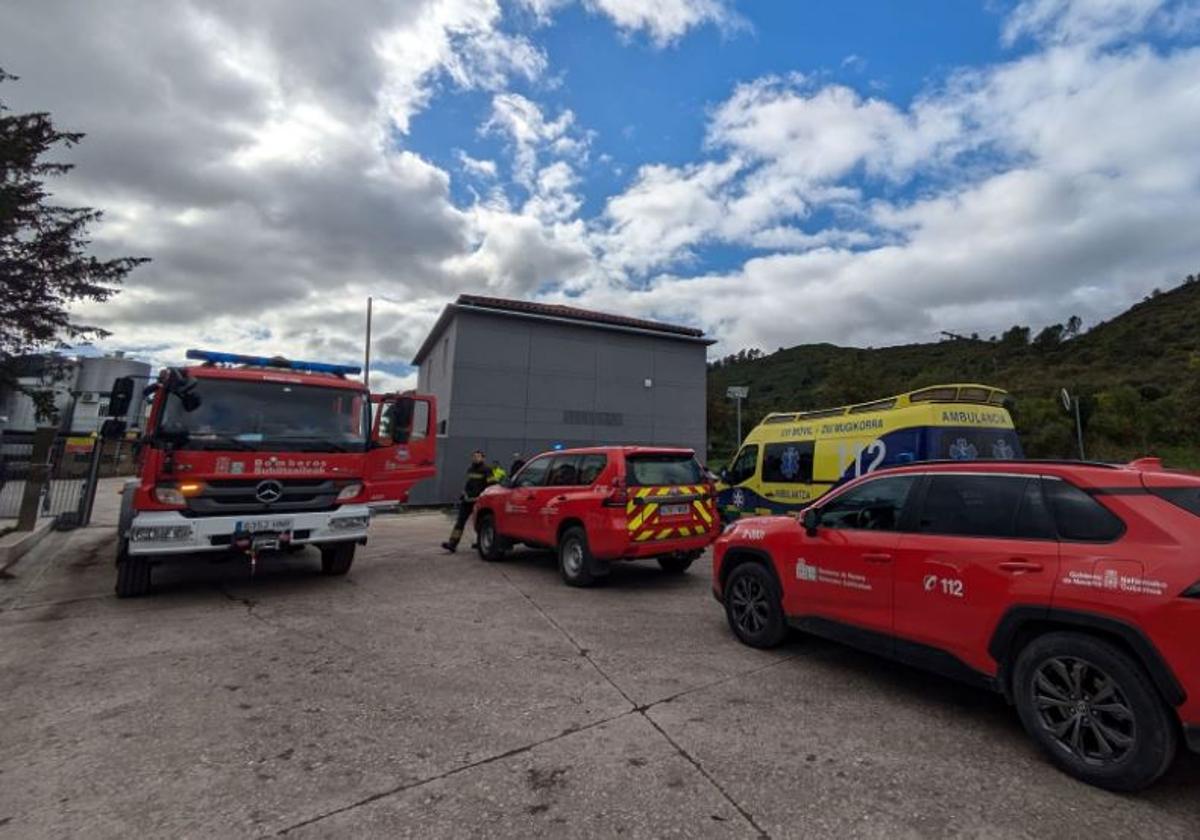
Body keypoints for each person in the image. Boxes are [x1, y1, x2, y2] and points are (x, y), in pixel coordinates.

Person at [441, 450, 494, 553]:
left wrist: (482, 497)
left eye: (478, 457)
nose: (476, 458)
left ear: (483, 458)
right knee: (460, 522)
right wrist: (464, 493)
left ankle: (480, 543)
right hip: (467, 500)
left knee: (479, 523)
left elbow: (491, 485)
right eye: (474, 456)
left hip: (479, 501)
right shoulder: (470, 469)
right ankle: (452, 543)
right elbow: (468, 483)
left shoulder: (487, 470)